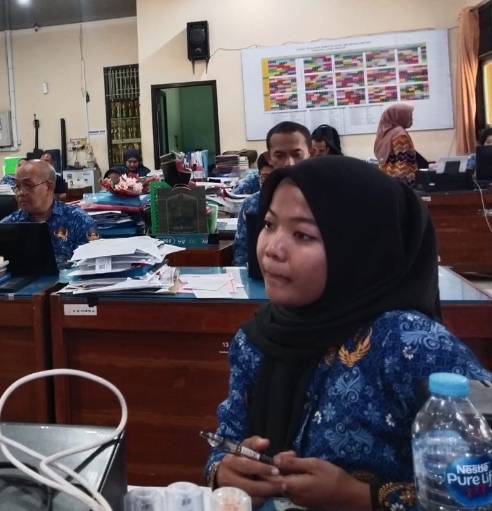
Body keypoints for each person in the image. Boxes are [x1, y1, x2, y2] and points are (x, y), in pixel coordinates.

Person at [206, 157, 489, 511]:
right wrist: (223, 472)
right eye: (269, 224)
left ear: (359, 248)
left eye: (302, 235)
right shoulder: (257, 339)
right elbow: (226, 441)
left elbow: (481, 486)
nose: (272, 249)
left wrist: (361, 497)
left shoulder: (410, 344)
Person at [233, 122, 311, 266]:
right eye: (280, 156)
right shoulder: (253, 205)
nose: (289, 163)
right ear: (269, 157)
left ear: (310, 154)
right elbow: (242, 256)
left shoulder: (325, 200)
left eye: (297, 154)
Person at [1, 160, 99, 263]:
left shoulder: (78, 220)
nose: (20, 193)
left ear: (49, 188)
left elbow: (92, 264)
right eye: (17, 187)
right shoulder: (8, 225)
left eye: (28, 186)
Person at [374, 104, 417, 187]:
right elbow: (402, 161)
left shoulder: (385, 132)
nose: (412, 119)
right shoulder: (399, 134)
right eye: (409, 117)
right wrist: (399, 185)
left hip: (385, 177)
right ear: (400, 117)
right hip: (399, 181)